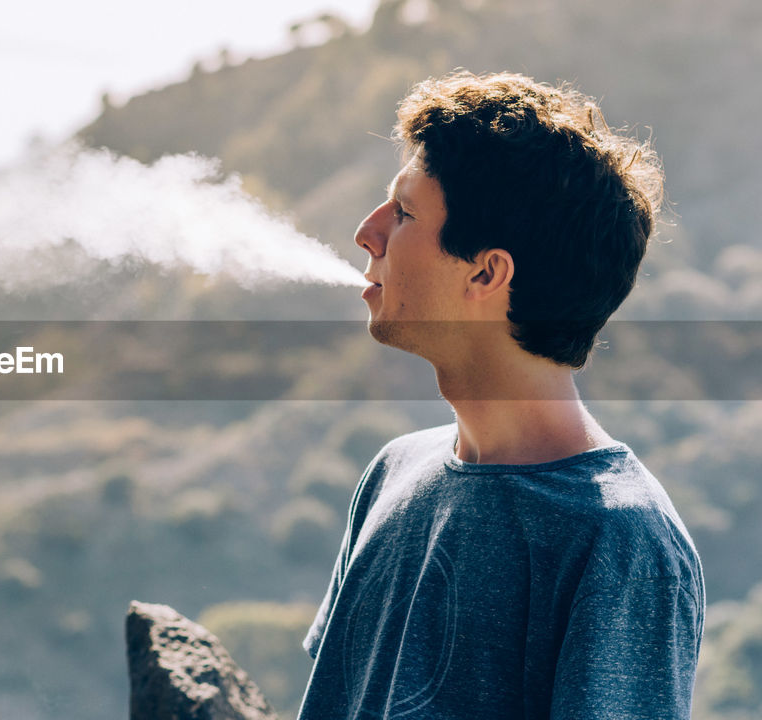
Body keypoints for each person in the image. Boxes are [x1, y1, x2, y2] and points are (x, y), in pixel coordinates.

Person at [298, 71, 704, 718]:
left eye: (403, 213)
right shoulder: (392, 472)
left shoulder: (619, 541)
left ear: (487, 272)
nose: (366, 233)